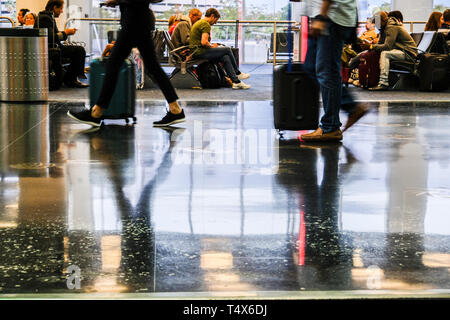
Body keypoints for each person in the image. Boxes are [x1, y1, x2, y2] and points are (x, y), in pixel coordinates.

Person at [67, 0, 185, 127]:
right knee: (152, 67)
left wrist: (116, 1)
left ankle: (96, 112)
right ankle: (175, 109)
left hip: (134, 23)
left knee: (114, 64)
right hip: (138, 22)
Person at [300, 0, 369, 142]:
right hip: (323, 16)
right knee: (311, 67)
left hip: (332, 17)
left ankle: (330, 127)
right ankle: (351, 107)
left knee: (327, 71)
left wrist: (322, 16)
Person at [190, 8, 250, 90]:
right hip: (200, 52)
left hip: (197, 51)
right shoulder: (205, 24)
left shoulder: (200, 23)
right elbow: (204, 42)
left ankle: (236, 82)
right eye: (216, 20)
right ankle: (237, 73)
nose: (215, 23)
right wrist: (212, 46)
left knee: (225, 57)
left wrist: (212, 45)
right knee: (227, 49)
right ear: (212, 16)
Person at [36, 0, 88, 88]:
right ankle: (71, 79)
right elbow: (51, 37)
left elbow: (51, 35)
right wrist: (66, 33)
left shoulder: (47, 17)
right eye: (60, 8)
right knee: (79, 50)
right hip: (51, 48)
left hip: (52, 46)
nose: (62, 11)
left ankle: (71, 78)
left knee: (78, 50)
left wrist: (65, 33)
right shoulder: (45, 18)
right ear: (55, 7)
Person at [367, 12, 418, 91]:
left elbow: (387, 46)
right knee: (374, 52)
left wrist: (372, 46)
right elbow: (380, 44)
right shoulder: (384, 28)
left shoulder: (391, 27)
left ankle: (383, 83)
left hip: (408, 52)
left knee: (385, 53)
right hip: (399, 50)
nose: (375, 25)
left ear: (381, 21)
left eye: (376, 23)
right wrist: (371, 47)